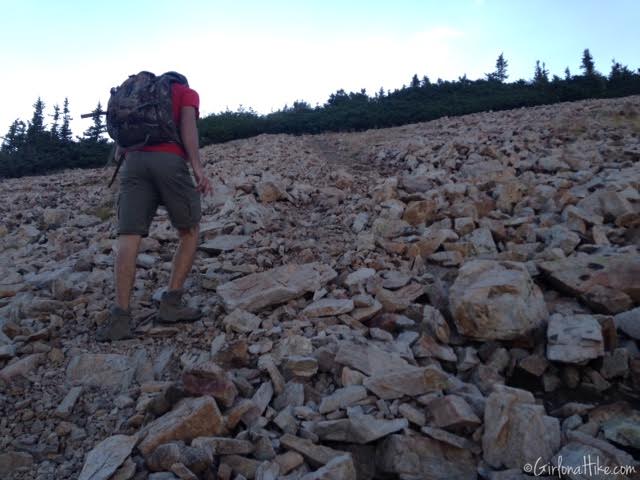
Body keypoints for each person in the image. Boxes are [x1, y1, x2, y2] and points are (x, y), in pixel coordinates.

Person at [97, 72, 213, 342]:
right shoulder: (186, 93)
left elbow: (118, 148)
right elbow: (188, 130)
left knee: (128, 238)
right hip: (169, 160)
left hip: (133, 163)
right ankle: (171, 304)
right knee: (189, 230)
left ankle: (120, 319)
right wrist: (197, 169)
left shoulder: (137, 97)